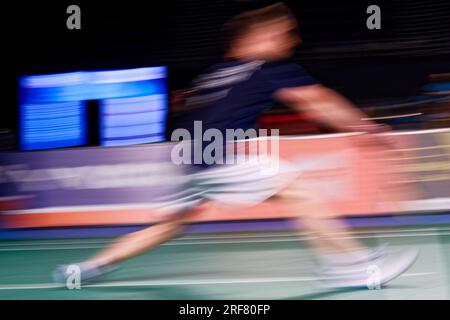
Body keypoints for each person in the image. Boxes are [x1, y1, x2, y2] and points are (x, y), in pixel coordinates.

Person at [54, 3, 418, 289]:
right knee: (301, 192)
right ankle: (348, 267)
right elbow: (316, 101)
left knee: (169, 225)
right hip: (212, 159)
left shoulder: (215, 73)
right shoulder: (264, 68)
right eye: (286, 33)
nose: (293, 41)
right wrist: (366, 127)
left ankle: (89, 267)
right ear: (260, 35)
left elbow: (189, 108)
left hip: (185, 159)